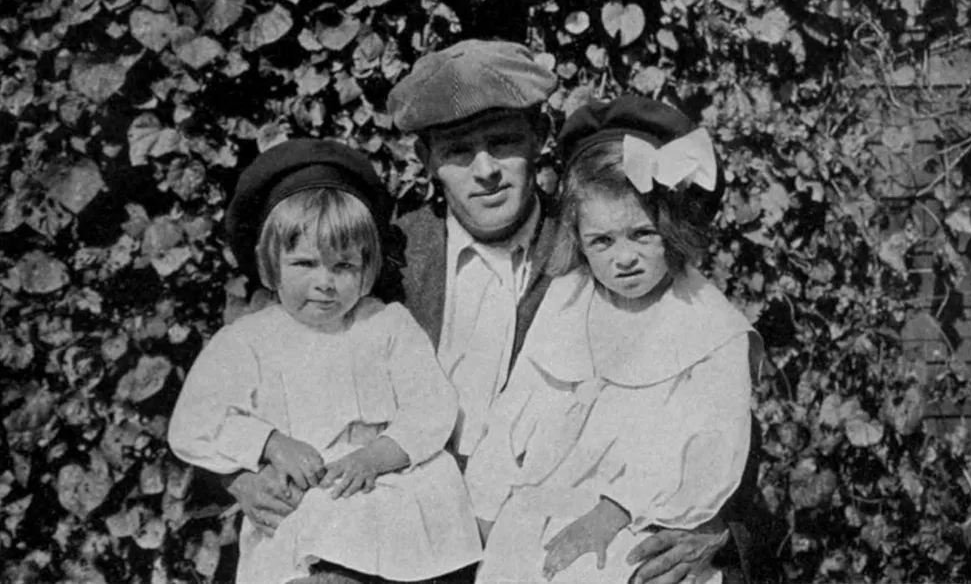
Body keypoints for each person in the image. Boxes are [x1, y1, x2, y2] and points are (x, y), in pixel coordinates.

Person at [221, 39, 767, 584]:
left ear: (539, 139)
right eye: (458, 151)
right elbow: (265, 362)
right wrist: (242, 472)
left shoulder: (592, 244)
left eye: (504, 142)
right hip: (396, 519)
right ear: (426, 160)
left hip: (533, 532)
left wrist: (707, 524)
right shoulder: (387, 260)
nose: (486, 171)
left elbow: (699, 394)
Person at [464, 95, 763, 584]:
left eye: (642, 235)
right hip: (536, 512)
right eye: (602, 241)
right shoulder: (566, 301)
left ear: (674, 227)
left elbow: (710, 444)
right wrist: (485, 505)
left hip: (642, 520)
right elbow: (514, 415)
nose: (624, 258)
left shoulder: (709, 327)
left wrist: (616, 509)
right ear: (578, 238)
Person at [168, 140, 481, 584]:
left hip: (389, 486)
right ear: (270, 267)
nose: (325, 284)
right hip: (306, 501)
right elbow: (194, 421)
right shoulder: (249, 340)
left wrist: (375, 458)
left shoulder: (386, 324)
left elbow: (431, 407)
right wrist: (270, 442)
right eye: (304, 264)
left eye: (343, 266)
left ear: (367, 266)